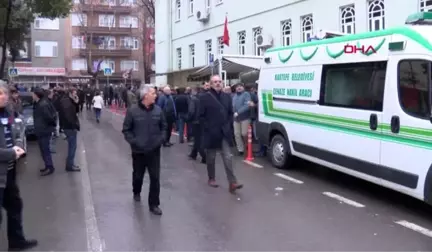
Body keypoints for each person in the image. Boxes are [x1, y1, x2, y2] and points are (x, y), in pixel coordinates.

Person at [0, 81, 38, 251]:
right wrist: (10, 153)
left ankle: (16, 242)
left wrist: (17, 144)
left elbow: (15, 131)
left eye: (4, 93)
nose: (3, 96)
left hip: (9, 172)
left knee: (15, 205)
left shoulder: (8, 112)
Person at [122, 85, 167, 216]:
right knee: (138, 175)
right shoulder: (132, 111)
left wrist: (161, 140)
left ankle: (154, 204)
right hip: (138, 151)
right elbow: (126, 130)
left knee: (155, 178)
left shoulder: (158, 111)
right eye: (153, 93)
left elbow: (164, 127)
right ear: (145, 95)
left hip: (154, 150)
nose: (156, 95)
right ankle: (136, 191)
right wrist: (135, 142)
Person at [199, 75, 243, 193]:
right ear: (211, 84)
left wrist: (228, 124)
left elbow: (230, 112)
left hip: (224, 131)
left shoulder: (227, 97)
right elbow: (200, 116)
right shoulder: (204, 97)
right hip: (211, 133)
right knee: (211, 157)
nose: (218, 83)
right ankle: (211, 178)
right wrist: (208, 127)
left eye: (219, 81)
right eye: (215, 82)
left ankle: (232, 182)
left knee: (227, 157)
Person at [33, 88, 57, 176]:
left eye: (33, 94)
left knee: (45, 150)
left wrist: (51, 126)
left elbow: (50, 117)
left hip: (44, 130)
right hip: (41, 130)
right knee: (43, 150)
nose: (32, 96)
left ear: (36, 95)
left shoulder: (43, 104)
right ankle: (47, 166)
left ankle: (50, 167)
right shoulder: (39, 103)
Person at [58, 88, 81, 172]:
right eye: (74, 93)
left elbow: (76, 111)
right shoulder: (66, 102)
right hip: (69, 127)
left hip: (69, 126)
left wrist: (76, 102)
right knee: (72, 147)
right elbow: (69, 116)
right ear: (70, 93)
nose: (76, 95)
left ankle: (70, 164)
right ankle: (70, 165)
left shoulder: (69, 101)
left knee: (72, 146)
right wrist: (74, 126)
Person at [232, 83, 252, 156]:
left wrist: (238, 112)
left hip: (245, 118)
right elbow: (232, 106)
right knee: (237, 134)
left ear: (243, 87)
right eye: (237, 87)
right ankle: (240, 149)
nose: (239, 88)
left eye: (240, 86)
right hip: (236, 118)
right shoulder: (234, 96)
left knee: (244, 133)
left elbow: (247, 105)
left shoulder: (246, 94)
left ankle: (247, 145)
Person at [187, 87, 206, 163]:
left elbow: (191, 111)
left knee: (198, 140)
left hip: (196, 121)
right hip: (203, 121)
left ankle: (204, 156)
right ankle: (193, 154)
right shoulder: (205, 98)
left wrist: (188, 119)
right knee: (199, 138)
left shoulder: (194, 99)